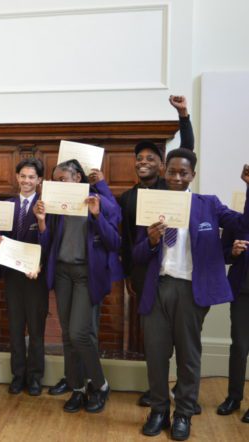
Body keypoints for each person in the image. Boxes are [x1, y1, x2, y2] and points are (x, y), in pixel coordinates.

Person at [136, 152, 249, 440]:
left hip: (191, 291)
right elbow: (135, 255)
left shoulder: (208, 204)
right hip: (158, 288)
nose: (176, 178)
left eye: (183, 173)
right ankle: (159, 411)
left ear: (192, 176)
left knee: (188, 357)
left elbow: (242, 224)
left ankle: (184, 413)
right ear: (165, 173)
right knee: (157, 356)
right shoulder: (151, 205)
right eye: (172, 172)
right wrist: (150, 241)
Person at [118, 95, 196, 408]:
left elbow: (187, 150)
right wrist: (126, 276)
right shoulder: (126, 198)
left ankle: (185, 395)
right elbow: (125, 240)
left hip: (175, 272)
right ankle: (157, 391)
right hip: (143, 272)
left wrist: (184, 115)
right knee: (155, 343)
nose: (144, 162)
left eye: (151, 158)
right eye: (139, 159)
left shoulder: (169, 187)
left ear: (162, 166)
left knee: (183, 342)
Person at [36, 159, 121, 414]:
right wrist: (41, 221)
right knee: (67, 336)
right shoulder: (54, 206)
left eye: (62, 179)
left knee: (79, 334)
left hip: (86, 275)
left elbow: (114, 242)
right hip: (62, 273)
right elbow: (48, 243)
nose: (57, 183)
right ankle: (77, 389)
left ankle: (101, 384)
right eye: (55, 179)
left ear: (77, 179)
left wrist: (96, 215)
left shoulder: (96, 201)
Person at [0, 158, 48, 396]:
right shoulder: (7, 205)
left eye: (32, 177)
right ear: (16, 177)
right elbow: (0, 235)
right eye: (23, 176)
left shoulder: (45, 206)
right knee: (15, 328)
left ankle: (35, 377)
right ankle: (18, 376)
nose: (27, 181)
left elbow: (49, 242)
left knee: (36, 330)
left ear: (39, 180)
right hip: (12, 276)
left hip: (35, 277)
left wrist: (42, 222)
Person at [216, 228, 249, 423]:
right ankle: (234, 398)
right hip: (242, 291)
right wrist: (233, 252)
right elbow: (222, 253)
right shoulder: (237, 222)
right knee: (239, 347)